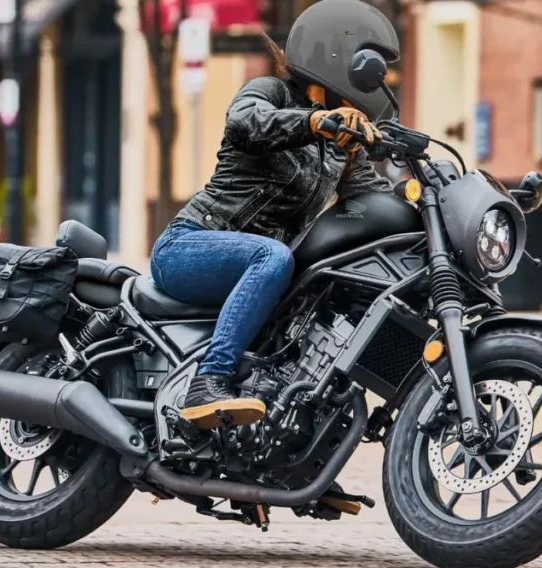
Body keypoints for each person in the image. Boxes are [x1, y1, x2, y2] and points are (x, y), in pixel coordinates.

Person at [150, 0, 401, 430]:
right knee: (273, 257)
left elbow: (378, 202)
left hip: (259, 267)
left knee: (327, 293)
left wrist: (438, 205)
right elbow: (246, 123)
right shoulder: (269, 92)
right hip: (188, 245)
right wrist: (316, 122)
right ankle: (208, 381)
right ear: (336, 56)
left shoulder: (341, 147)